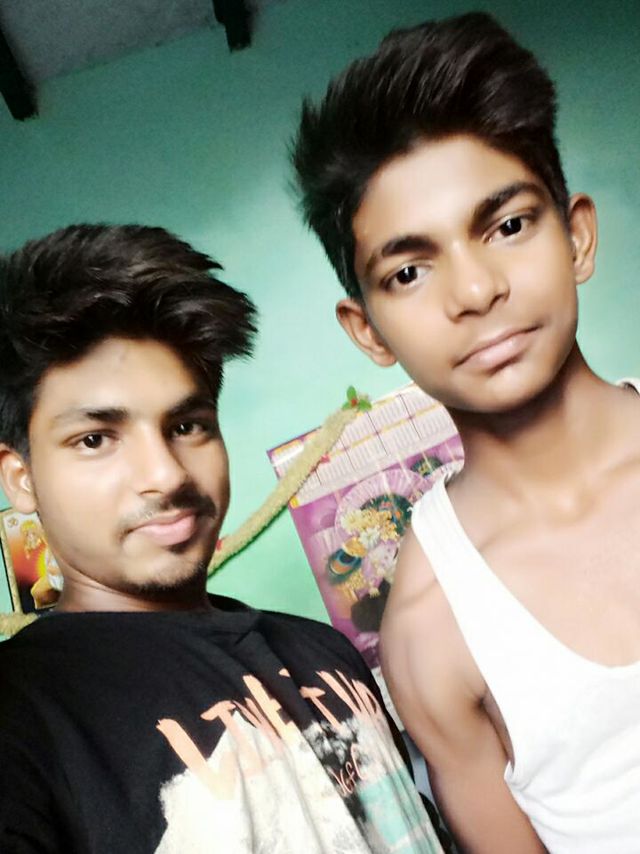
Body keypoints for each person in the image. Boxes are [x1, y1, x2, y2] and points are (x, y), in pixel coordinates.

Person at [292, 11, 640, 853]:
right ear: (367, 330)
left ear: (577, 235)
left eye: (508, 226)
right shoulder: (427, 629)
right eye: (410, 271)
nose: (476, 291)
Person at [0, 224, 444, 853]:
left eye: (187, 426)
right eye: (95, 439)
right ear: (20, 478)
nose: (166, 475)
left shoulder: (322, 649)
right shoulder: (21, 720)